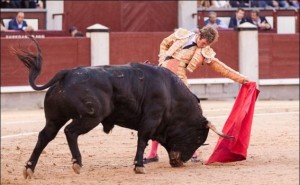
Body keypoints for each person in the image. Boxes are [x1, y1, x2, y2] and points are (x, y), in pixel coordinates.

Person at [143, 26, 250, 164]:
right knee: (156, 113)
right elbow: (164, 43)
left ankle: (193, 151)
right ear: (199, 35)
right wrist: (162, 58)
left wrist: (241, 79)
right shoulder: (182, 34)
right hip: (160, 77)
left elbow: (220, 67)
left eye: (207, 44)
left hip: (178, 82)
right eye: (203, 42)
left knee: (187, 116)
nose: (204, 46)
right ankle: (153, 153)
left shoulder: (204, 52)